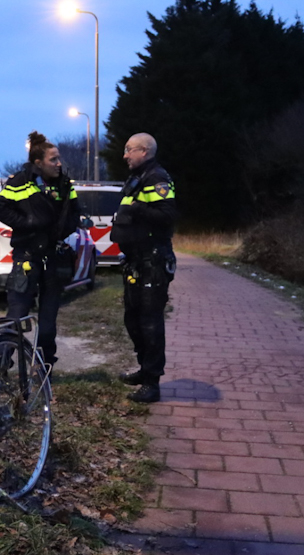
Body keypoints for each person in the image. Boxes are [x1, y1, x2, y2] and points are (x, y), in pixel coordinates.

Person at [0, 131, 80, 367]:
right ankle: (1, 363)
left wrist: (61, 232)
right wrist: (28, 224)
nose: (59, 163)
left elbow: (74, 214)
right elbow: (0, 209)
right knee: (16, 314)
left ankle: (44, 368)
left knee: (48, 322)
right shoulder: (20, 181)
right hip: (27, 257)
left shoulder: (64, 184)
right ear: (38, 163)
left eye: (59, 158)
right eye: (53, 159)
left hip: (53, 258)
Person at [111, 133, 179, 403]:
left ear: (145, 151)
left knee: (150, 323)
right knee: (133, 319)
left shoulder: (158, 178)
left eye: (129, 150)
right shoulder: (138, 178)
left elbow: (168, 215)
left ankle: (152, 383)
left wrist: (138, 209)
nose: (125, 155)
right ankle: (144, 368)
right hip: (136, 261)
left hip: (152, 261)